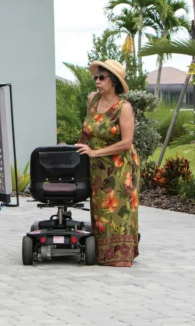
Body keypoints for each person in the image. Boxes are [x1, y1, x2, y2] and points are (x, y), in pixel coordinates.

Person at [75, 59, 140, 267]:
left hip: (121, 167)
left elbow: (126, 143)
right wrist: (75, 151)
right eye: (96, 77)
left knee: (118, 210)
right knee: (100, 209)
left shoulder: (124, 108)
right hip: (98, 167)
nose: (97, 81)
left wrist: (95, 152)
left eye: (102, 78)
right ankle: (102, 253)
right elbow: (87, 129)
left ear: (113, 82)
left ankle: (120, 255)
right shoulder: (92, 100)